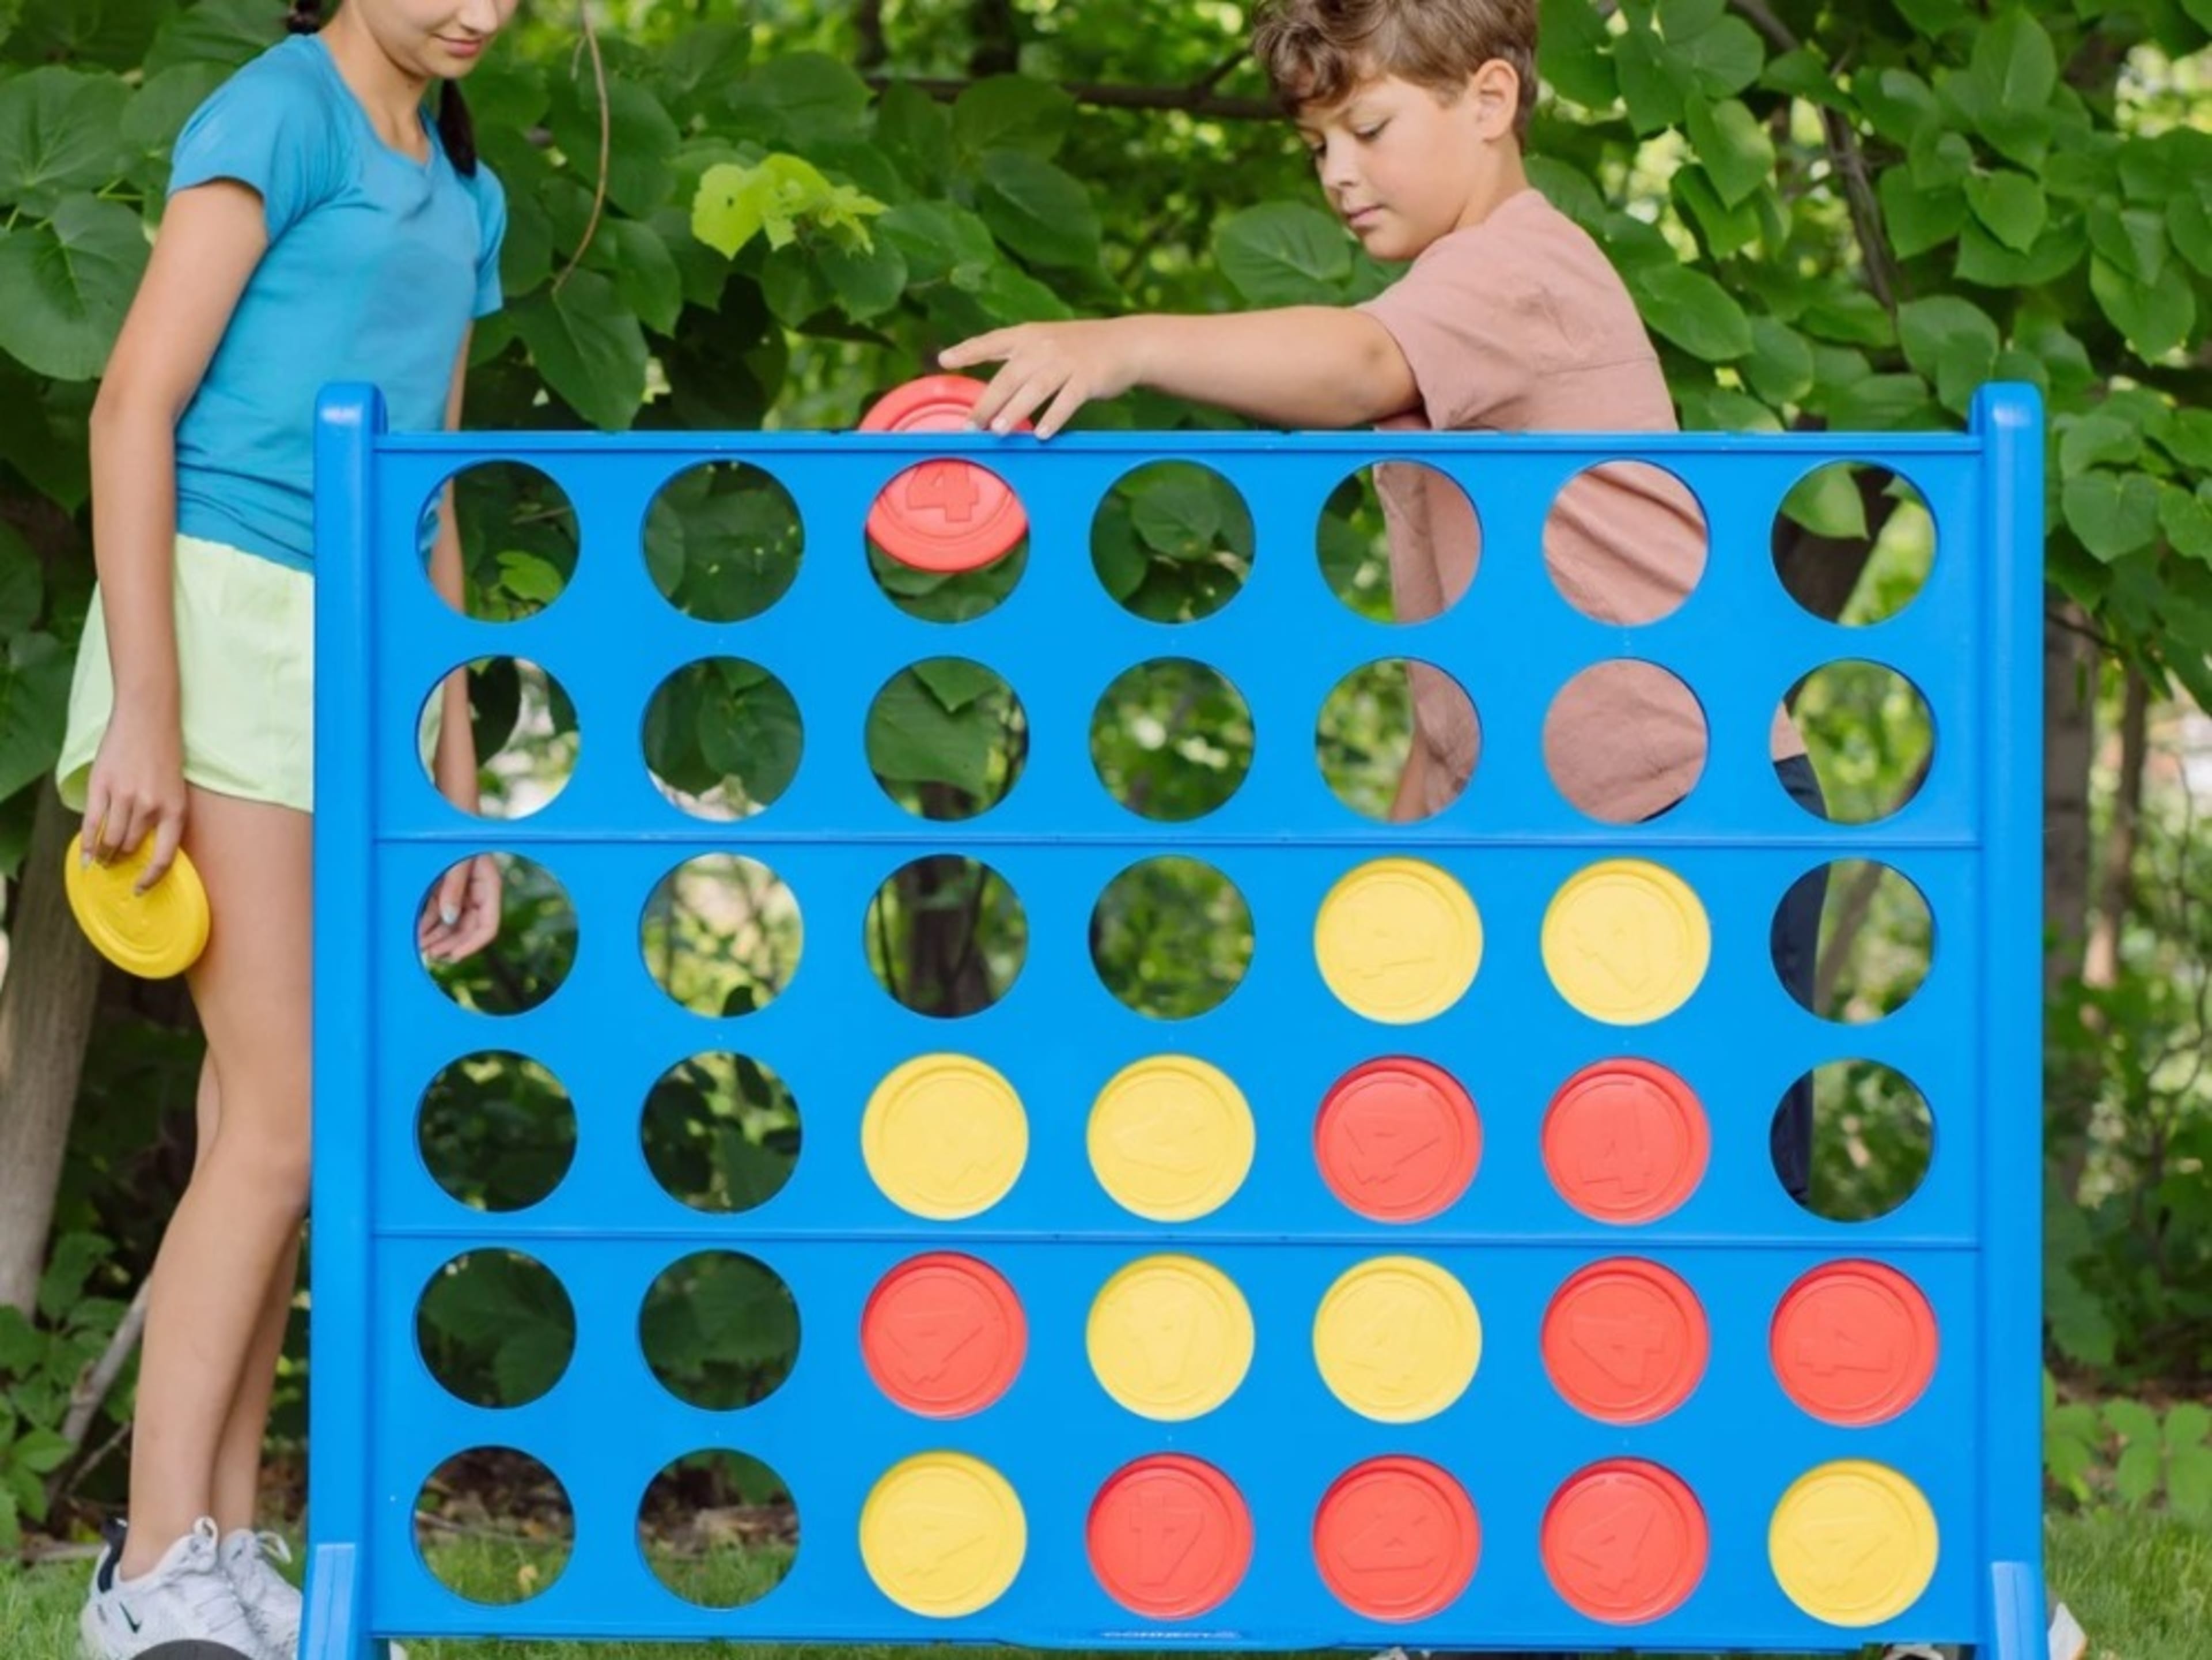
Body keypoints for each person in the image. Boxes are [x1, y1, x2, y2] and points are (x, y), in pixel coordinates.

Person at [942, 0, 1828, 1217]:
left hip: (1693, 810)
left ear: (1491, 101)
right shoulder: (1449, 308)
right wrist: (1398, 874)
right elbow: (1458, 660)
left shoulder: (1516, 265)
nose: (1339, 175)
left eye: (1368, 130)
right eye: (1318, 147)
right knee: (1527, 1197)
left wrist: (1122, 346)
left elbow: (1353, 363)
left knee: (1701, 1217)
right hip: (1556, 821)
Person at [57, 3, 514, 1655]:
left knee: (267, 1125)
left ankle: (231, 1547)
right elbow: (132, 408)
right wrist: (149, 706)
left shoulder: (464, 183)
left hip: (371, 656)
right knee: (287, 1120)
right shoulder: (279, 113)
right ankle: (148, 1572)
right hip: (225, 623)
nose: (484, 12)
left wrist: (456, 761)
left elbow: (430, 485)